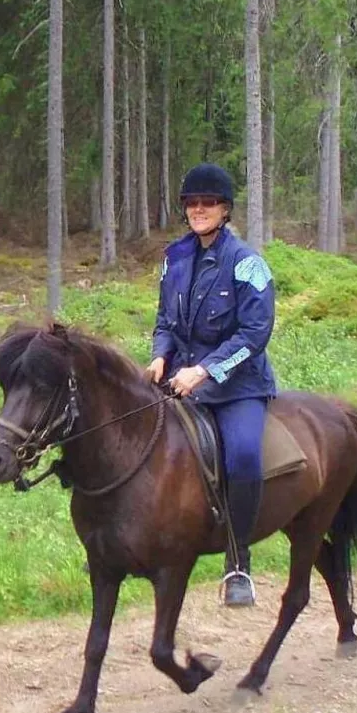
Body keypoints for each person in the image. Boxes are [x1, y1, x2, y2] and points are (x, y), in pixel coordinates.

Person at [148, 162, 278, 608]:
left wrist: (204, 370)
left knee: (242, 454)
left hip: (237, 385)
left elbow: (255, 334)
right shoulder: (174, 259)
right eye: (192, 203)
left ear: (225, 209)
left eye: (209, 202)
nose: (199, 209)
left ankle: (238, 562)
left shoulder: (247, 264)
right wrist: (160, 355)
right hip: (181, 378)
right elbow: (165, 320)